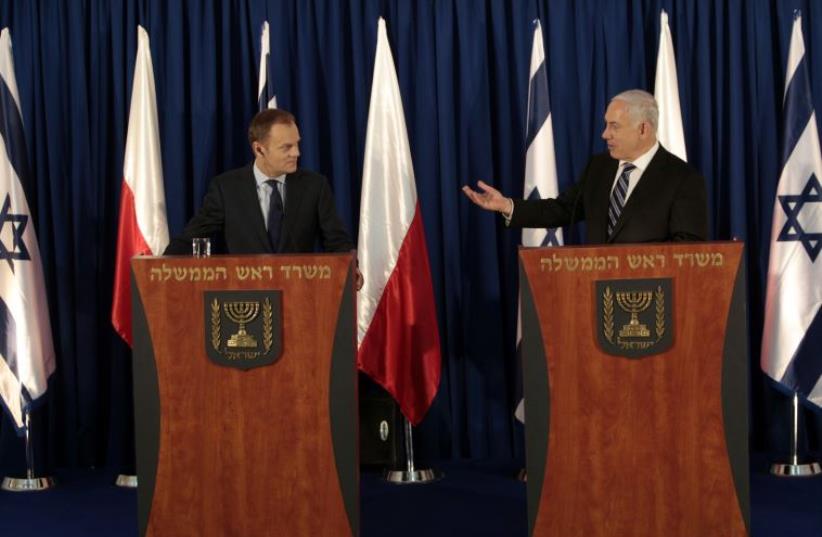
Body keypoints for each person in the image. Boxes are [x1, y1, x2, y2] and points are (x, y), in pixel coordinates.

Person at [462, 89, 708, 243]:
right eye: (606, 124)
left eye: (614, 126)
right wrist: (506, 205)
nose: (604, 134)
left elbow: (687, 252)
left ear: (643, 129)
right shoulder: (599, 168)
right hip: (597, 297)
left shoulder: (682, 179)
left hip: (653, 303)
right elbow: (560, 210)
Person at [165, 108, 356, 256]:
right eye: (286, 147)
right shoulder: (226, 189)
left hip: (299, 296)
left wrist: (351, 268)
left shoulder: (315, 186)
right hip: (245, 300)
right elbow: (191, 239)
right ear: (259, 149)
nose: (296, 153)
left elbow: (337, 241)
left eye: (297, 144)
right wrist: (157, 269)